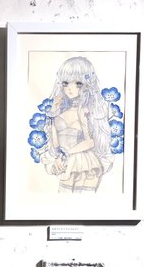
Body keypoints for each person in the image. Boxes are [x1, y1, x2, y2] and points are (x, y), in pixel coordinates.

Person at [40, 56, 112, 192]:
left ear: (87, 85)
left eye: (78, 83)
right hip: (66, 162)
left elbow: (90, 142)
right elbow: (55, 144)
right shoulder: (60, 113)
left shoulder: (85, 111)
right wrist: (53, 113)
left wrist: (66, 153)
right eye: (65, 83)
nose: (70, 88)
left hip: (85, 163)